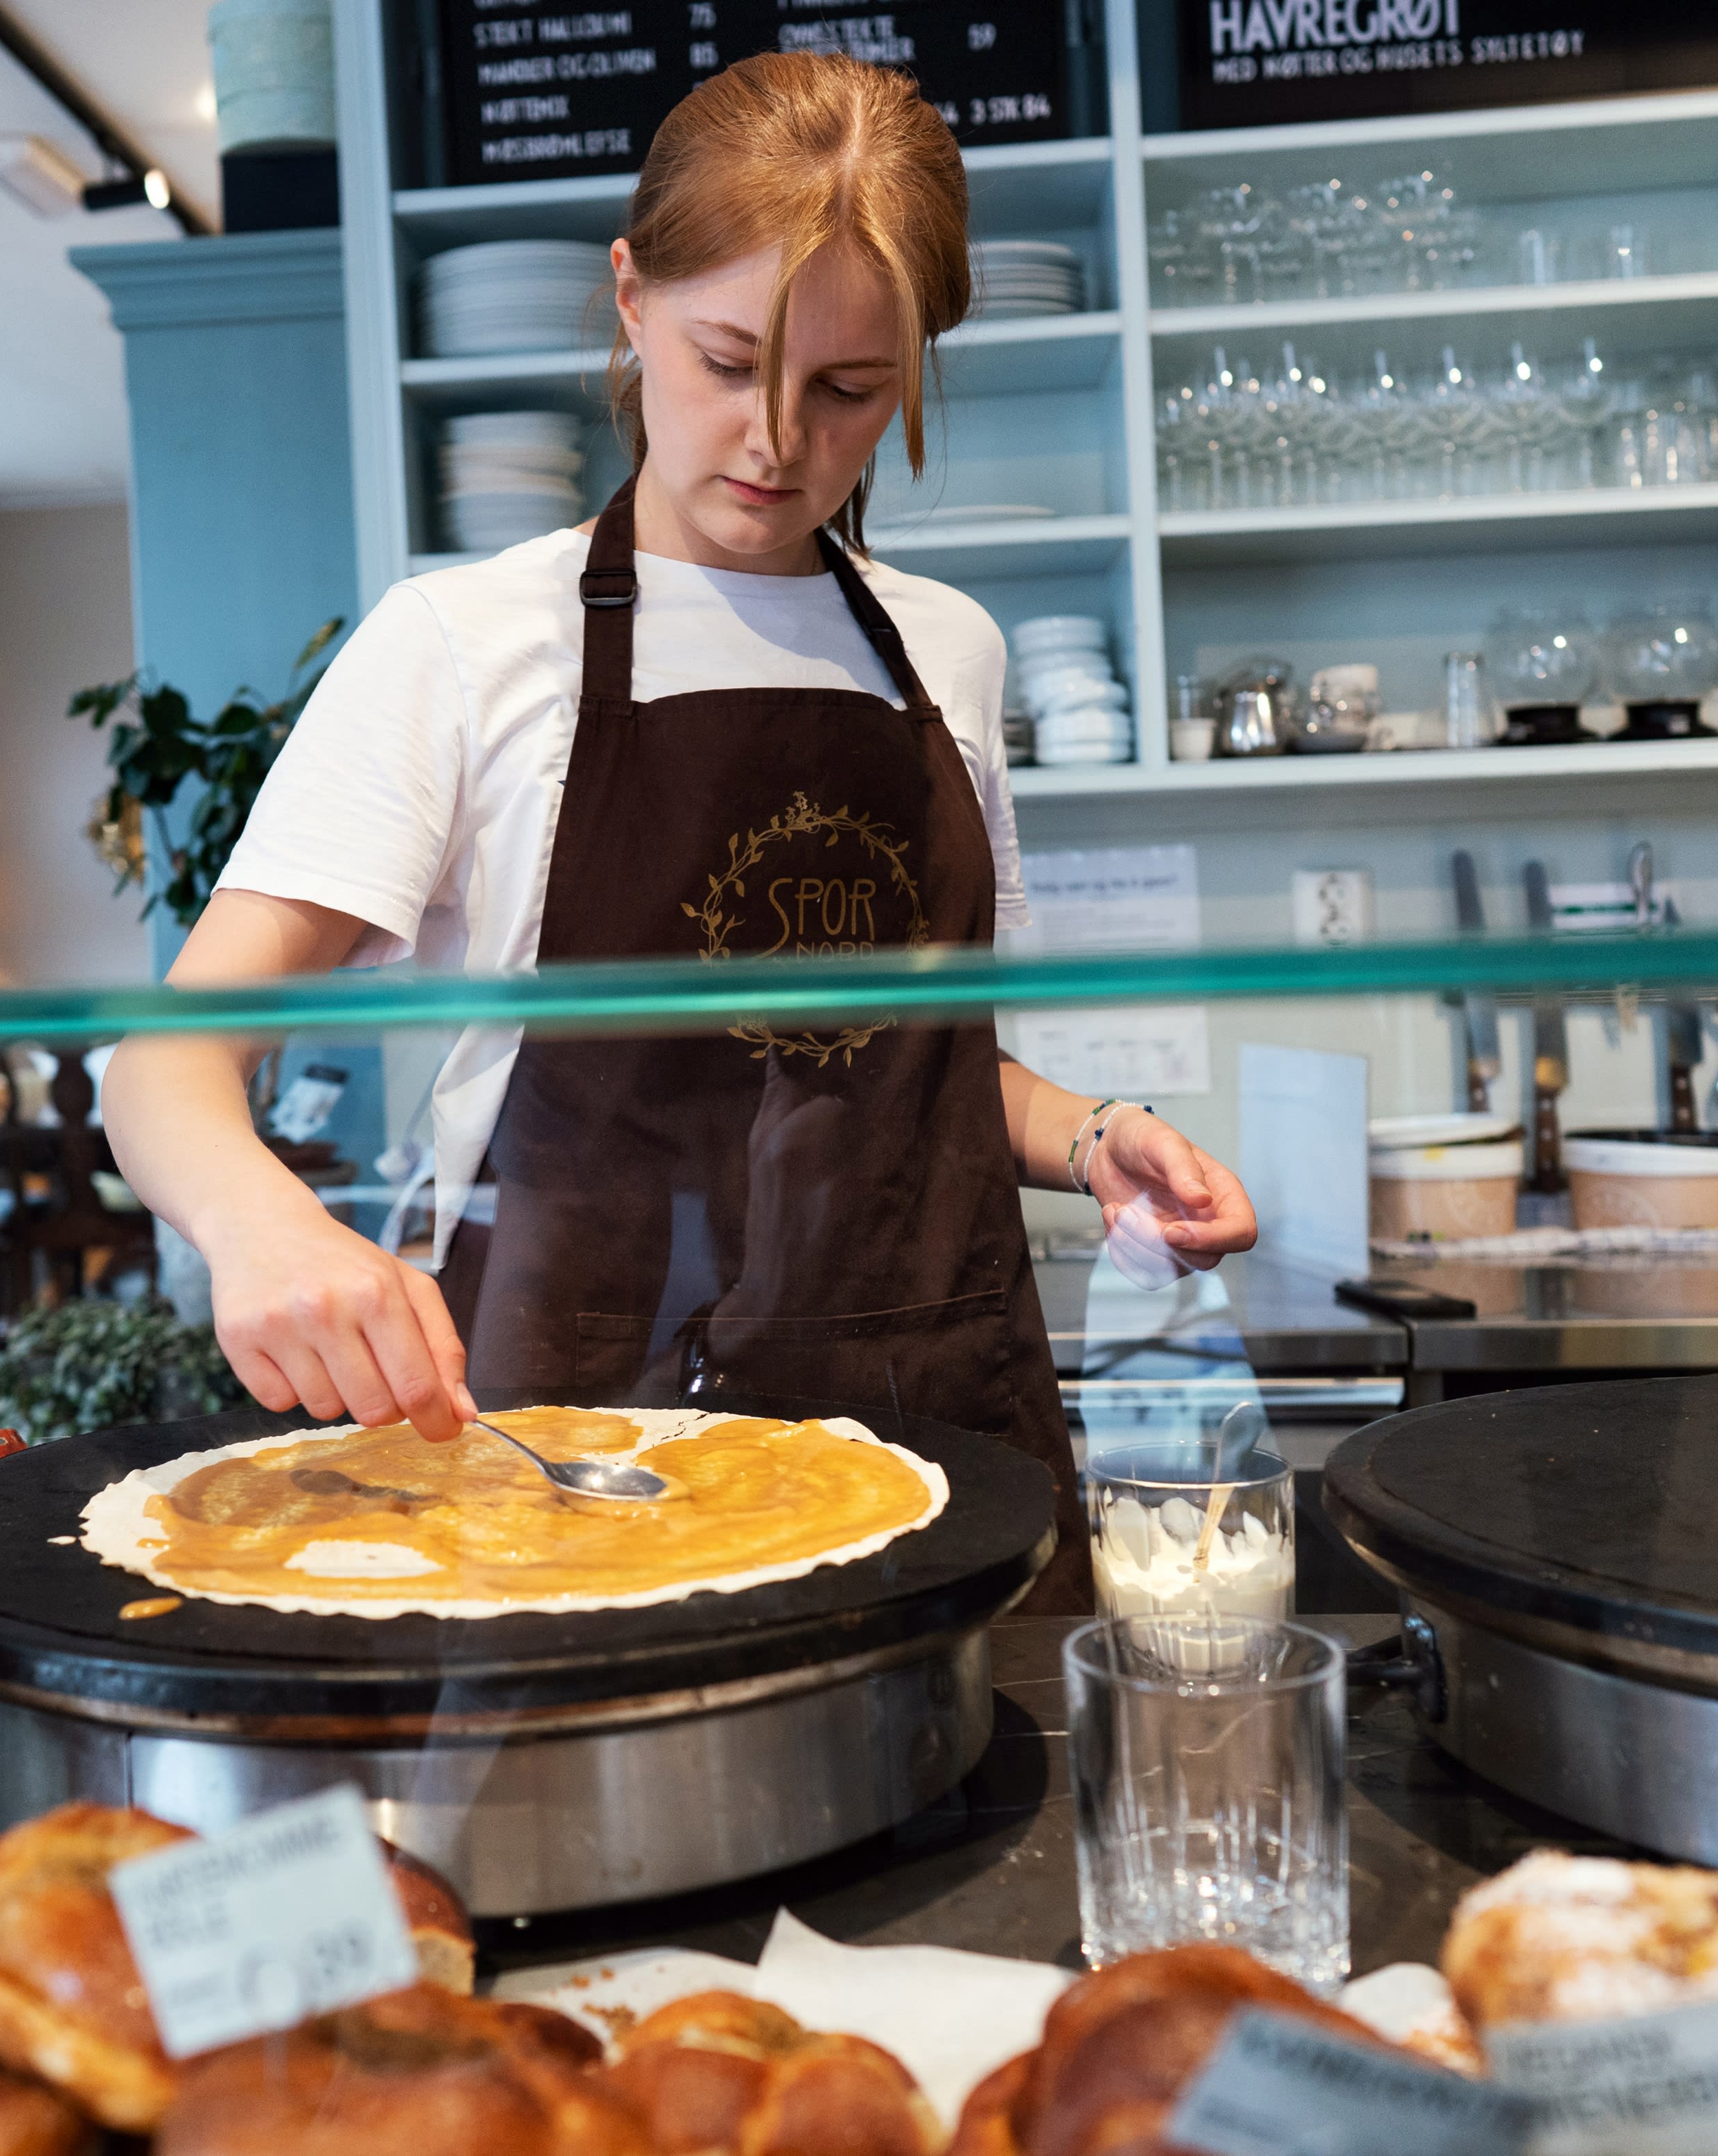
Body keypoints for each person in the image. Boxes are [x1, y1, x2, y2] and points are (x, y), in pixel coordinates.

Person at [103, 52, 1258, 1606]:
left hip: (938, 1422)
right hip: (582, 1451)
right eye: (728, 360)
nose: (777, 442)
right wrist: (263, 1223)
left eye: (849, 390)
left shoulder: (949, 652)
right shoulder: (461, 642)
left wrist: (1097, 1138)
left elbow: (903, 1064)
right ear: (632, 298)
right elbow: (162, 1063)